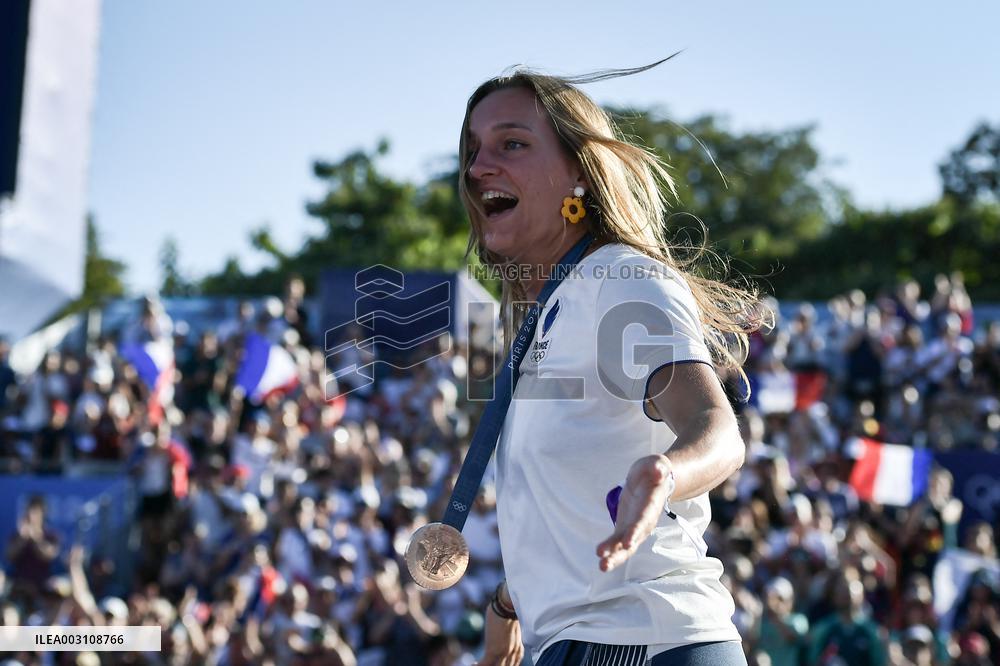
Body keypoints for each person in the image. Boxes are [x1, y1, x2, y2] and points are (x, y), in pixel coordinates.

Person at [457, 63, 763, 665]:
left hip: (652, 642)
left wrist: (664, 473)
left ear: (577, 170)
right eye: (473, 150)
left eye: (511, 144)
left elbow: (719, 433)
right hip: (580, 643)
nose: (478, 168)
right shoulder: (539, 314)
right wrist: (509, 603)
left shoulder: (619, 280)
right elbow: (574, 517)